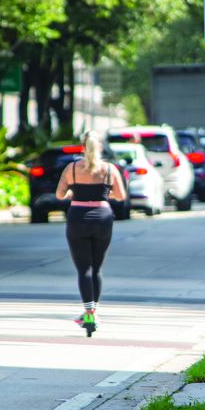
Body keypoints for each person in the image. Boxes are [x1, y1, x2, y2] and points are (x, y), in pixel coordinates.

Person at [56, 130, 126, 330]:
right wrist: (105, 194)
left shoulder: (72, 169)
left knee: (83, 268)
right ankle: (94, 312)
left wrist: (72, 191)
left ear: (82, 147)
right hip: (103, 218)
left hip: (77, 217)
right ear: (100, 147)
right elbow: (120, 196)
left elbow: (60, 195)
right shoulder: (109, 169)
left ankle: (88, 314)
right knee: (96, 268)